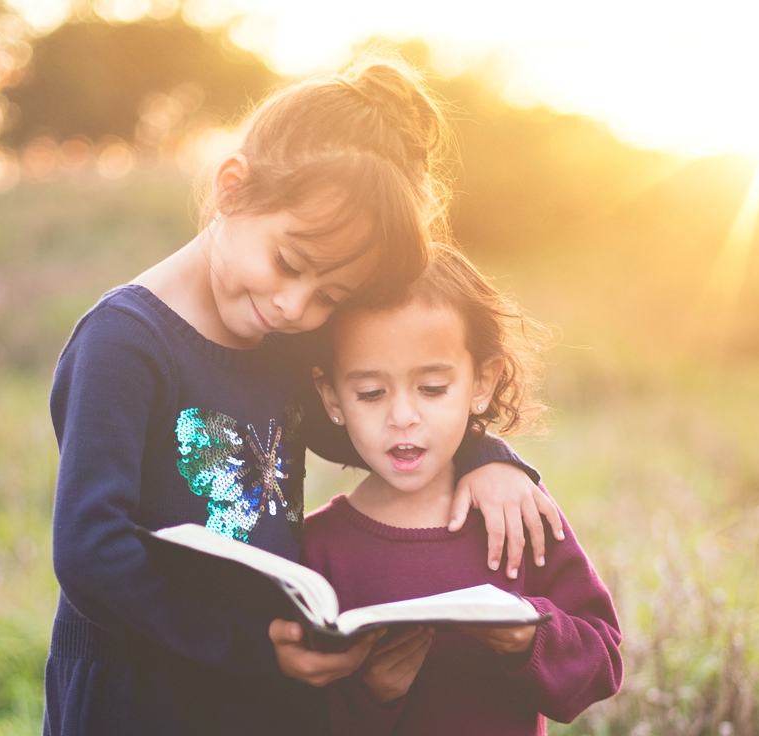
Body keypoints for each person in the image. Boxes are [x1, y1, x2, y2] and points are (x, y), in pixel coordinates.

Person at [43, 57, 564, 735]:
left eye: (330, 296)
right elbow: (90, 552)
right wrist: (253, 646)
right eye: (288, 263)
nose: (295, 306)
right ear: (232, 188)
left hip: (262, 689)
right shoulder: (124, 344)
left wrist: (487, 459)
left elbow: (379, 432)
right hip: (140, 691)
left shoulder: (279, 342)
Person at [304, 245, 623, 736]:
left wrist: (528, 635)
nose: (402, 416)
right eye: (371, 393)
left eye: (432, 388)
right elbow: (291, 706)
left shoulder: (514, 510)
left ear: (482, 383)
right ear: (332, 397)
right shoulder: (318, 548)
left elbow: (602, 663)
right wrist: (370, 693)